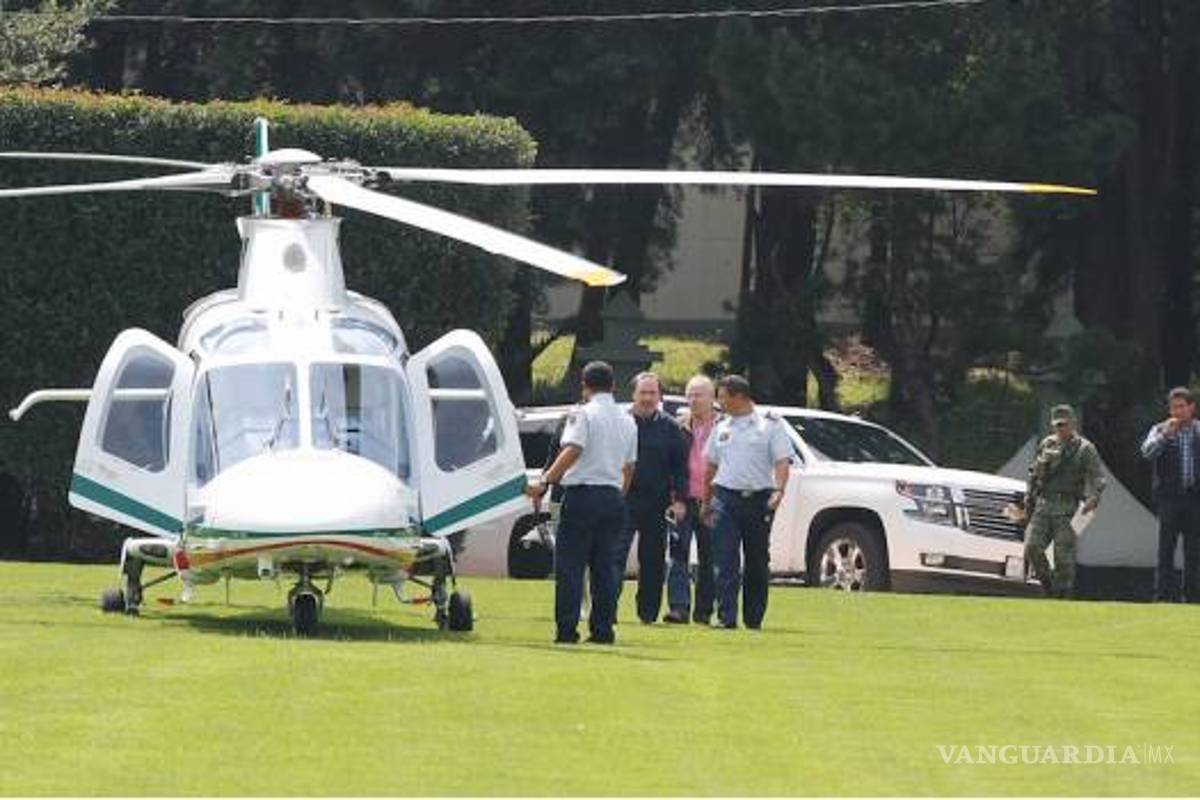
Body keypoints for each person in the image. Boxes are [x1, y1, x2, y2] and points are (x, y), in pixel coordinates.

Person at [527, 361, 637, 644]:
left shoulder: (583, 414)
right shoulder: (628, 420)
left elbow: (572, 449)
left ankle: (567, 630)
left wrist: (546, 481)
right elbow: (629, 467)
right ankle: (603, 630)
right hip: (613, 496)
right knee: (605, 567)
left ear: (585, 386)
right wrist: (618, 495)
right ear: (613, 386)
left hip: (583, 495)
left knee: (571, 566)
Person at [701, 375, 792, 629]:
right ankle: (726, 616)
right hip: (726, 499)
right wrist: (706, 501)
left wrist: (779, 490)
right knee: (725, 559)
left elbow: (782, 462)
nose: (719, 402)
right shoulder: (721, 427)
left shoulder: (770, 426)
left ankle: (753, 618)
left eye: (722, 397)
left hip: (757, 500)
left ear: (739, 397)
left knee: (757, 560)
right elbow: (711, 466)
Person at [614, 372, 688, 624]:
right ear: (633, 394)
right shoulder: (619, 422)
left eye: (652, 393)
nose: (647, 398)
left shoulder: (671, 427)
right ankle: (607, 610)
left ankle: (647, 614)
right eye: (642, 393)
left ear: (659, 396)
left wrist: (679, 500)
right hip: (621, 501)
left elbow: (680, 468)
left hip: (657, 504)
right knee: (614, 556)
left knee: (653, 561)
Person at [1023, 404, 1103, 598]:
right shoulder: (1047, 444)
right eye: (1057, 425)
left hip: (1067, 505)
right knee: (1032, 546)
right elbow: (1034, 474)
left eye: (1064, 424)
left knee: (1062, 554)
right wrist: (1029, 495)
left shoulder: (1085, 449)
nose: (1060, 429)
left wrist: (1094, 496)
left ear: (1072, 423)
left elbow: (1097, 476)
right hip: (1044, 503)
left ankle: (1062, 593)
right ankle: (1049, 585)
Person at [664, 375, 721, 625]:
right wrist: (674, 499)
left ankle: (704, 611)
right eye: (690, 395)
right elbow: (669, 466)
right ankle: (679, 608)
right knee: (678, 554)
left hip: (713, 501)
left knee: (711, 558)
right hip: (683, 501)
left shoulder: (724, 428)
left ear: (712, 398)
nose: (694, 400)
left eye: (699, 395)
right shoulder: (678, 428)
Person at [1139, 386, 1200, 603]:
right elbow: (1146, 452)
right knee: (1166, 549)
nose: (1177, 412)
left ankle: (1192, 598)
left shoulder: (1198, 431)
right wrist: (1165, 435)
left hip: (1194, 499)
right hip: (1169, 499)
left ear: (1192, 408)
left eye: (1182, 407)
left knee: (1193, 551)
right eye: (1174, 407)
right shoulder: (1160, 429)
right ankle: (1162, 597)